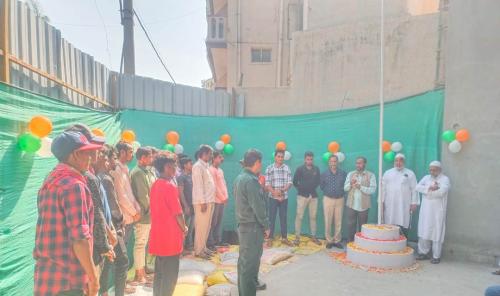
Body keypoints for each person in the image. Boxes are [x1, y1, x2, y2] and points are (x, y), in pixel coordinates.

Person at [33, 131, 102, 296]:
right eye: (87, 153)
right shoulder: (74, 185)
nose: (91, 158)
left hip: (46, 278)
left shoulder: (49, 181)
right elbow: (80, 238)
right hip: (68, 281)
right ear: (76, 155)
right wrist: (93, 277)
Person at [98, 145, 136, 296]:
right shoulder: (106, 178)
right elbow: (113, 205)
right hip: (113, 227)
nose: (112, 163)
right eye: (111, 159)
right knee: (122, 261)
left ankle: (105, 291)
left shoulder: (101, 176)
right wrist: (121, 222)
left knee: (107, 262)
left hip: (106, 227)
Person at [149, 154, 188, 296]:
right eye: (172, 166)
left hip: (158, 236)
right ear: (166, 167)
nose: (175, 169)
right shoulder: (169, 186)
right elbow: (178, 213)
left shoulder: (155, 184)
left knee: (159, 274)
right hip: (170, 237)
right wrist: (184, 228)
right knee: (170, 277)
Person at [234, 149, 270, 296]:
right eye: (260, 162)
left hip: (244, 226)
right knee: (249, 264)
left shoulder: (240, 178)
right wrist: (266, 225)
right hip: (252, 227)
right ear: (257, 163)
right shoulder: (251, 181)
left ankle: (245, 289)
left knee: (246, 262)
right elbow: (258, 207)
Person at [415, 161, 450, 264]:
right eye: (430, 169)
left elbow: (441, 192)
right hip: (425, 209)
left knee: (437, 231)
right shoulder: (426, 178)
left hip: (438, 211)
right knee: (424, 229)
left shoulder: (445, 179)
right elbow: (417, 187)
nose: (432, 171)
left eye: (434, 170)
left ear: (439, 170)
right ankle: (423, 253)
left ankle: (436, 256)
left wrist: (428, 193)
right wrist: (429, 189)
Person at [130, 147, 156, 284]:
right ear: (142, 158)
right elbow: (143, 196)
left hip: (149, 213)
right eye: (149, 157)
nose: (152, 159)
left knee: (143, 243)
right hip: (144, 214)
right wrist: (150, 211)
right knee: (140, 244)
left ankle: (143, 269)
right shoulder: (138, 173)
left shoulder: (147, 171)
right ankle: (139, 274)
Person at [110, 142, 141, 247]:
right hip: (124, 217)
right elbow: (120, 196)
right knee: (120, 249)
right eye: (130, 152)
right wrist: (134, 213)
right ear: (122, 152)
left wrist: (136, 210)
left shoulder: (124, 168)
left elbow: (129, 193)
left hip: (130, 215)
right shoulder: (117, 170)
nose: (132, 155)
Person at [382, 153, 418, 237]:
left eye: (401, 161)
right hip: (390, 203)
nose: (398, 163)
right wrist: (381, 202)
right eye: (396, 161)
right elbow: (382, 189)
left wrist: (414, 202)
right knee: (389, 221)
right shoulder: (388, 173)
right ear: (394, 162)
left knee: (403, 220)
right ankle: (390, 242)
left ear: (404, 162)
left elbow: (414, 188)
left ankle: (403, 243)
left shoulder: (410, 173)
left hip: (404, 203)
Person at [344, 157, 377, 242]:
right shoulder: (351, 174)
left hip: (364, 206)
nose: (358, 165)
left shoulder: (371, 175)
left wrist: (360, 187)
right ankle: (350, 243)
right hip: (351, 204)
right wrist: (351, 184)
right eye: (357, 163)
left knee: (363, 226)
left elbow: (372, 190)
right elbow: (345, 188)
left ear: (365, 164)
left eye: (360, 163)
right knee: (350, 225)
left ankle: (361, 244)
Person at [192, 145, 216, 259]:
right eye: (210, 154)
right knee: (201, 227)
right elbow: (198, 186)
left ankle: (203, 248)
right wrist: (202, 202)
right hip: (203, 202)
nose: (211, 156)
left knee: (207, 226)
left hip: (210, 200)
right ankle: (198, 250)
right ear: (204, 154)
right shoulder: (197, 166)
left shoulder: (206, 166)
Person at [265, 150, 293, 247]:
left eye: (282, 157)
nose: (280, 158)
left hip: (284, 198)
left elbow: (289, 183)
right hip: (272, 197)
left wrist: (281, 192)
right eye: (279, 156)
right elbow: (267, 184)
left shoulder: (287, 168)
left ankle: (284, 238)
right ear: (275, 157)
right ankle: (270, 238)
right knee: (271, 218)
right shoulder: (269, 168)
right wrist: (275, 193)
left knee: (283, 218)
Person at [292, 151, 321, 246]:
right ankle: (297, 237)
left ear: (313, 159)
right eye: (308, 159)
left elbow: (318, 182)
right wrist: (303, 190)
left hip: (313, 196)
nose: (309, 161)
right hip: (302, 196)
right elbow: (295, 182)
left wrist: (310, 190)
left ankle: (313, 236)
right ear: (305, 159)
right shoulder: (300, 169)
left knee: (313, 217)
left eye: (311, 159)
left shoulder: (316, 169)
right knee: (299, 216)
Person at [320, 154, 347, 249]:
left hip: (340, 199)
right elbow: (322, 186)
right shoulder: (324, 174)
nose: (333, 163)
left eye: (335, 161)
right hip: (328, 199)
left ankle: (337, 240)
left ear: (337, 162)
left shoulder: (343, 173)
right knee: (328, 220)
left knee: (338, 221)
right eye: (331, 161)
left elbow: (346, 186)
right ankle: (329, 240)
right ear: (328, 163)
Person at [208, 151, 229, 248]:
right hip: (215, 200)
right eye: (220, 157)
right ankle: (210, 242)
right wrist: (222, 197)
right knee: (213, 221)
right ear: (214, 158)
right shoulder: (210, 170)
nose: (222, 159)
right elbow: (214, 186)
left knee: (219, 221)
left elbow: (223, 184)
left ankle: (218, 240)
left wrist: (226, 197)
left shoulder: (220, 170)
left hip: (222, 200)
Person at [177, 157, 195, 251]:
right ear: (185, 165)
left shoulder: (191, 176)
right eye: (190, 164)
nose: (192, 165)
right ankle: (182, 248)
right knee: (185, 228)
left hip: (193, 205)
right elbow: (181, 192)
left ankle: (189, 245)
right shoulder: (181, 177)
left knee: (191, 228)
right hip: (186, 206)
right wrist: (186, 206)